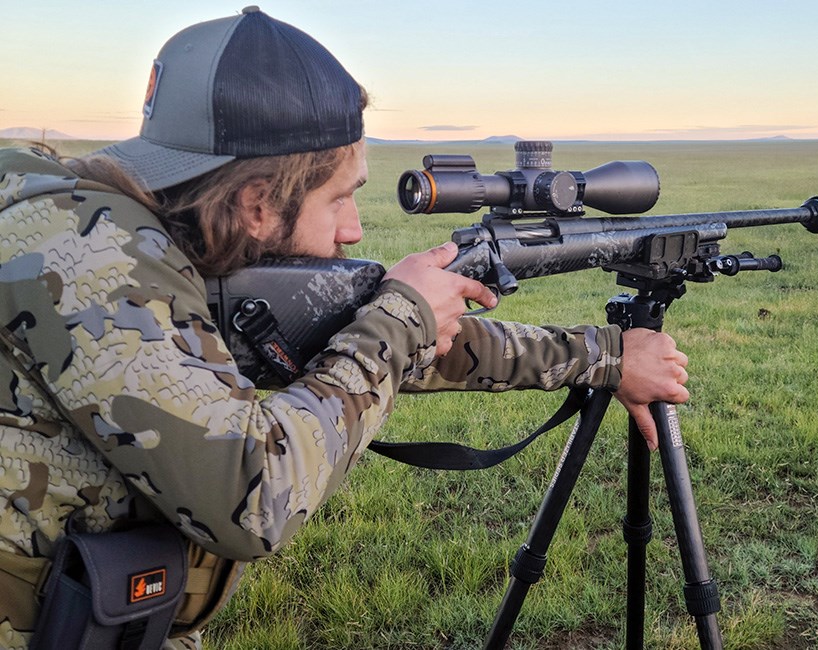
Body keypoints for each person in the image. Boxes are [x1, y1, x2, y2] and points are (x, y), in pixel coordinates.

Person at [0, 7, 688, 648]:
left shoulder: (151, 231)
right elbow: (250, 498)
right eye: (340, 199)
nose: (354, 230)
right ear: (257, 203)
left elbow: (382, 343)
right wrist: (399, 318)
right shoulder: (90, 259)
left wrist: (602, 356)